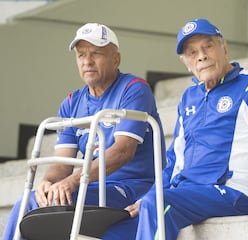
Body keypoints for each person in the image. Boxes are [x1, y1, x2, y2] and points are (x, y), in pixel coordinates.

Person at [103, 18, 248, 239]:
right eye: (192, 52)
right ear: (186, 63)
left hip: (235, 192)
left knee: (157, 205)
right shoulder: (189, 97)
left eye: (208, 46)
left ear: (224, 48)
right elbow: (175, 161)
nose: (201, 56)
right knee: (115, 231)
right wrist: (147, 196)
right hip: (190, 192)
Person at [3, 22, 166, 240]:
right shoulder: (72, 102)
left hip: (131, 187)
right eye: (81, 55)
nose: (87, 61)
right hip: (90, 187)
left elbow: (122, 152)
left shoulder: (134, 89)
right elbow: (62, 164)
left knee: (64, 198)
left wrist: (72, 181)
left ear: (116, 59)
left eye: (96, 54)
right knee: (29, 201)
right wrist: (47, 183)